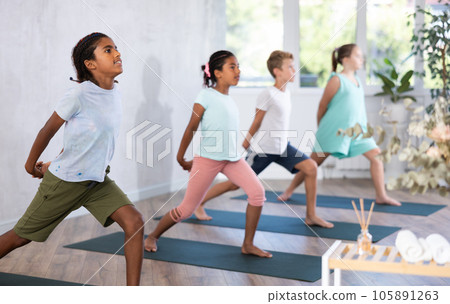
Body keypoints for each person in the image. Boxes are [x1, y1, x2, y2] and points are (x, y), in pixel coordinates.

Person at [0, 33, 144, 285]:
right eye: (108, 50)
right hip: (64, 184)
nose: (118, 53)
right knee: (19, 237)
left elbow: (82, 141)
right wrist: (30, 163)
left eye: (116, 48)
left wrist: (51, 163)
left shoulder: (115, 93)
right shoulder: (79, 94)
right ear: (90, 64)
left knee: (135, 223)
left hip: (96, 182)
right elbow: (49, 128)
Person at [144, 50, 272, 258]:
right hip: (208, 160)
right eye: (232, 67)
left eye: (238, 66)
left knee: (257, 194)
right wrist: (180, 156)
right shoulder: (206, 95)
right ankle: (153, 236)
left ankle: (248, 244)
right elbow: (192, 126)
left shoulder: (230, 100)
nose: (238, 71)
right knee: (186, 210)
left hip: (232, 160)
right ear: (218, 73)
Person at [194, 50, 333, 228]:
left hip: (282, 148)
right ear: (277, 71)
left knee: (311, 167)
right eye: (290, 67)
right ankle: (198, 203)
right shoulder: (267, 94)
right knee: (234, 185)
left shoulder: (286, 93)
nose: (294, 70)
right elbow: (257, 120)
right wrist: (246, 143)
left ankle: (311, 216)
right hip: (263, 150)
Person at [278, 44, 401, 206]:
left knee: (377, 157)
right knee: (312, 164)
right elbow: (322, 106)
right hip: (333, 131)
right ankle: (289, 190)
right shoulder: (336, 80)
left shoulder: (357, 80)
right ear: (345, 59)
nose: (361, 59)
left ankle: (381, 196)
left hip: (358, 131)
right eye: (357, 56)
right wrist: (322, 129)